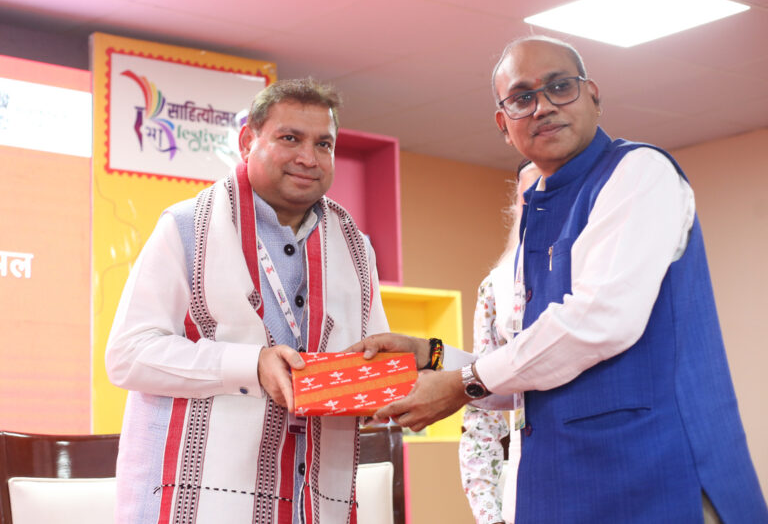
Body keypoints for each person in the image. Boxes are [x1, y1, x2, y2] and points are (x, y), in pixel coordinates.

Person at [350, 37, 768, 523]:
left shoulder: (638, 172)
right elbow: (528, 378)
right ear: (504, 125)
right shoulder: (537, 214)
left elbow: (597, 323)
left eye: (559, 87)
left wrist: (460, 384)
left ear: (593, 95)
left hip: (656, 478)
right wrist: (431, 356)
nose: (543, 106)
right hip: (569, 487)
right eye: (522, 97)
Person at [105, 78, 390, 524]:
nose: (308, 158)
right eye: (289, 138)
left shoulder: (356, 247)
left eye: (324, 143)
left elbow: (372, 358)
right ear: (247, 141)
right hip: (200, 501)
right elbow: (127, 355)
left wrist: (380, 389)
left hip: (314, 501)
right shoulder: (186, 226)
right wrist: (250, 365)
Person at [459, 159, 540, 524]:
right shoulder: (498, 287)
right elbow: (481, 414)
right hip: (527, 497)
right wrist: (490, 517)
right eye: (529, 197)